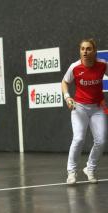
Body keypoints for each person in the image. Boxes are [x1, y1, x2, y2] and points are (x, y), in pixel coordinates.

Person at [62, 38, 108, 185]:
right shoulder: (74, 67)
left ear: (94, 51)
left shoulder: (102, 65)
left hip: (97, 108)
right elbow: (64, 82)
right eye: (82, 49)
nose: (85, 52)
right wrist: (67, 97)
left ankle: (90, 168)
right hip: (79, 107)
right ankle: (71, 171)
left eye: (88, 49)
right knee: (79, 138)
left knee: (101, 141)